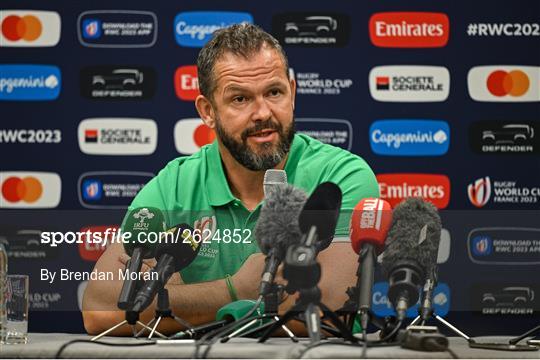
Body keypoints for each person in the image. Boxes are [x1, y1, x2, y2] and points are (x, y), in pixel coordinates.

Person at [82, 23, 379, 335]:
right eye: (240, 99)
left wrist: (172, 304)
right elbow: (99, 310)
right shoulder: (174, 186)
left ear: (293, 92)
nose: (263, 112)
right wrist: (236, 290)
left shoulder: (340, 178)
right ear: (207, 111)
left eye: (274, 92)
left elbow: (329, 311)